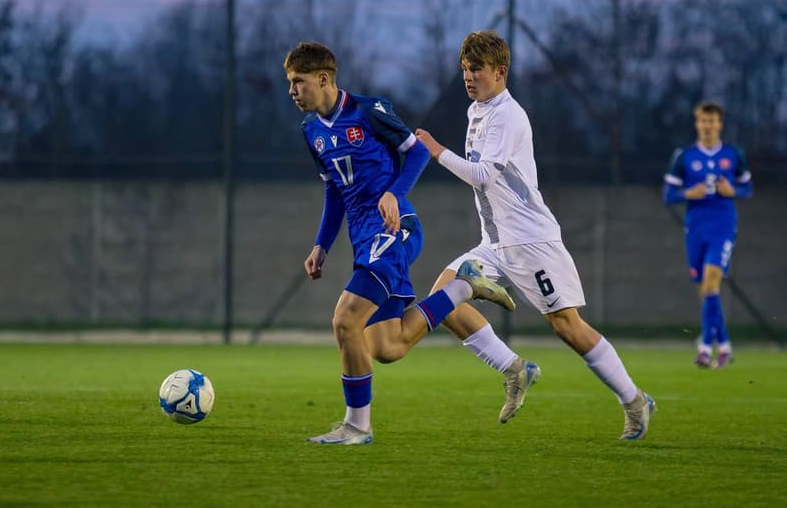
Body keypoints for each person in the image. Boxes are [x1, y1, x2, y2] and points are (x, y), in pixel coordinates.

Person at [415, 30, 655, 440]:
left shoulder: (508, 115)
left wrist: (435, 150)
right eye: (464, 69)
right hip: (494, 243)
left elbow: (483, 175)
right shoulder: (478, 111)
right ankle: (514, 368)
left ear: (500, 72)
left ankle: (634, 401)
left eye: (476, 70)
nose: (468, 77)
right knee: (444, 300)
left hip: (529, 241)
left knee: (566, 326)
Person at [284, 41, 516, 445]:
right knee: (387, 347)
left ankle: (357, 427)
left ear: (322, 79)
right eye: (290, 83)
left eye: (297, 81)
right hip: (364, 239)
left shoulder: (368, 111)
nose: (292, 91)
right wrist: (321, 245)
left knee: (344, 320)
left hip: (394, 229)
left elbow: (417, 154)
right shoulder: (311, 132)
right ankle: (463, 285)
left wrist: (393, 193)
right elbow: (335, 192)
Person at [663, 102, 752, 368]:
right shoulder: (685, 156)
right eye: (704, 121)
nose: (708, 126)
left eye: (713, 121)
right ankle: (724, 347)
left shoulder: (733, 154)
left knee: (712, 283)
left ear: (720, 124)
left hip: (723, 227)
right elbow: (668, 195)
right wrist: (688, 194)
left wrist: (732, 190)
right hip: (695, 229)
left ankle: (704, 348)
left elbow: (747, 188)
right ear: (697, 124)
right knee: (705, 291)